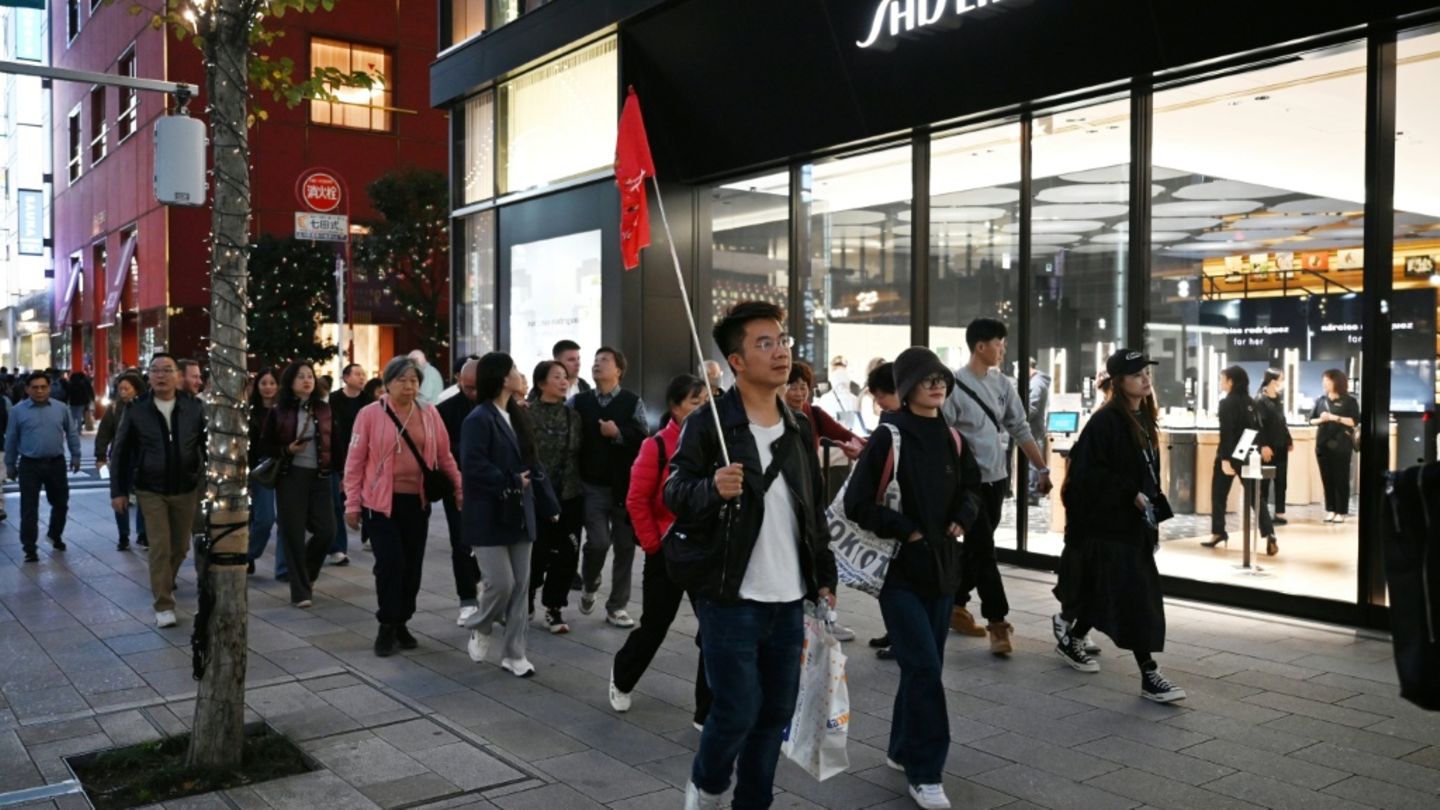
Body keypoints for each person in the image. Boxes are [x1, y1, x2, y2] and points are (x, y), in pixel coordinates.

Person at [665, 301, 837, 810]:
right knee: (737, 709)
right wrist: (710, 489)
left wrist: (823, 576)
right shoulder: (711, 424)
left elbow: (813, 509)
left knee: (773, 715)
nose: (780, 351)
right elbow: (675, 490)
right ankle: (709, 786)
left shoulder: (799, 425)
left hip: (789, 599)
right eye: (765, 343)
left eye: (781, 340)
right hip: (731, 594)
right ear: (736, 361)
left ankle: (754, 802)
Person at [845, 348, 985, 810]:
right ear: (906, 390)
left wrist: (963, 515)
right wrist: (908, 529)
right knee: (924, 667)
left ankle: (901, 749)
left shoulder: (951, 437)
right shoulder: (890, 436)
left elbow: (972, 486)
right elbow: (856, 504)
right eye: (925, 380)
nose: (936, 386)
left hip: (943, 570)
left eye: (940, 378)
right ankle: (926, 773)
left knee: (922, 667)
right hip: (899, 573)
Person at [1053, 349, 1186, 704]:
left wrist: (1151, 515)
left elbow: (1145, 473)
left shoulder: (1141, 416)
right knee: (1136, 598)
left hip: (1131, 525)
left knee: (1104, 593)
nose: (1145, 378)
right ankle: (1148, 672)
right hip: (1108, 527)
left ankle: (1072, 639)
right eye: (1136, 374)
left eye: (1146, 372)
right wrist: (1130, 494)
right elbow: (1088, 477)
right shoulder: (1106, 421)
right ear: (1117, 382)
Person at [941, 318, 1052, 654]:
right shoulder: (954, 386)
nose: (1003, 349)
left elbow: (1020, 428)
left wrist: (1042, 467)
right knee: (984, 552)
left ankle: (955, 605)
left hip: (996, 480)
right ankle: (997, 623)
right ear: (980, 346)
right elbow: (943, 438)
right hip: (968, 487)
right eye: (999, 343)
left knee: (977, 549)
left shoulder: (1003, 384)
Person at [611, 374, 713, 725]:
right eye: (694, 403)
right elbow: (636, 499)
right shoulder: (655, 446)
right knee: (655, 625)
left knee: (712, 631)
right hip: (667, 551)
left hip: (706, 551)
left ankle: (707, 709)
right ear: (674, 407)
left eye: (706, 402)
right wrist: (654, 545)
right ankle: (622, 676)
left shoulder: (717, 444)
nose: (702, 409)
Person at [345, 355, 462, 656]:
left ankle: (401, 621)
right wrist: (352, 503)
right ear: (387, 382)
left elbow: (445, 455)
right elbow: (355, 461)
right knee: (390, 563)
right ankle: (386, 624)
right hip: (379, 503)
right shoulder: (370, 414)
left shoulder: (429, 413)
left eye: (414, 381)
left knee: (412, 567)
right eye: (402, 380)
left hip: (417, 501)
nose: (409, 386)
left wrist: (459, 488)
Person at [462, 352, 559, 677]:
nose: (521, 375)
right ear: (503, 378)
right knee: (500, 583)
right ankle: (482, 624)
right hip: (489, 513)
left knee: (521, 586)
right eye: (516, 370)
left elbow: (534, 461)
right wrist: (511, 480)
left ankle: (514, 654)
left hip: (521, 511)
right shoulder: (478, 418)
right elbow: (473, 467)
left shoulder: (517, 415)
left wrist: (550, 505)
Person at [110, 353, 206, 628]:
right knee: (160, 547)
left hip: (186, 487)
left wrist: (207, 479)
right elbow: (121, 451)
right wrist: (117, 491)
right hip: (150, 488)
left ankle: (165, 580)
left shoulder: (194, 407)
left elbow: (204, 444)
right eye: (155, 370)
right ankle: (163, 604)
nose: (161, 375)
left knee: (180, 547)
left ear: (177, 375)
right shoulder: (137, 408)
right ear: (148, 376)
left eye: (167, 370)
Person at [573, 347, 648, 628]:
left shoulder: (632, 402)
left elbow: (643, 438)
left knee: (626, 547)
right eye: (594, 361)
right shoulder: (579, 402)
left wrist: (618, 433)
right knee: (599, 542)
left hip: (624, 486)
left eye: (604, 361)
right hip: (591, 485)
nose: (596, 365)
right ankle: (590, 583)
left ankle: (617, 606)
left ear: (618, 370)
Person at [261, 361, 336, 608]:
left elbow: (335, 441)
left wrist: (343, 473)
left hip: (321, 476)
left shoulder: (324, 409)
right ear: (290, 382)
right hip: (290, 476)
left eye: (310, 376)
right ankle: (300, 591)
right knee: (292, 534)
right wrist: (286, 449)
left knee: (327, 531)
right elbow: (265, 445)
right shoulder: (278, 410)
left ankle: (307, 572)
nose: (307, 380)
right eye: (301, 376)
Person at [528, 359, 584, 633]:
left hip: (570, 494)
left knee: (567, 554)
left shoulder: (573, 416)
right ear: (541, 383)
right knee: (536, 554)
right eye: (557, 377)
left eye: (565, 377)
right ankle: (525, 598)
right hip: (538, 496)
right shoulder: (526, 415)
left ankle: (554, 607)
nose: (564, 381)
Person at [5, 372, 82, 562]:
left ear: (49, 388)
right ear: (27, 389)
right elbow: (12, 439)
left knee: (61, 503)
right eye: (35, 387)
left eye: (43, 387)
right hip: (29, 465)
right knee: (29, 508)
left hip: (56, 463)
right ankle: (29, 547)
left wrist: (76, 455)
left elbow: (71, 433)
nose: (39, 391)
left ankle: (55, 534)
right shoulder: (18, 411)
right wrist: (10, 464)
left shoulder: (61, 408)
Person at [859, 362, 904, 658]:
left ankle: (900, 638)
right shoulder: (894, 419)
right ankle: (896, 634)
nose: (878, 403)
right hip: (894, 518)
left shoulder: (899, 423)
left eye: (881, 396)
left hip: (899, 520)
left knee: (896, 582)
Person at [1204, 366, 1273, 550]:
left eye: (1222, 379)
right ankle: (1269, 533)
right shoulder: (1251, 401)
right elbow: (1256, 429)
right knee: (1255, 497)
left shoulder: (1227, 403)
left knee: (1219, 494)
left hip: (1230, 453)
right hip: (1249, 452)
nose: (1220, 382)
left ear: (1231, 382)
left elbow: (1226, 432)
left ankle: (1218, 532)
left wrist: (1226, 459)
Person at [438, 357, 483, 626]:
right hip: (457, 483)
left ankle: (485, 589)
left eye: (478, 387)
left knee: (490, 542)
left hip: (490, 484)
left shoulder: (499, 406)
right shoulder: (445, 410)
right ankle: (467, 598)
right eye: (468, 387)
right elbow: (442, 453)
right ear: (458, 381)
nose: (473, 393)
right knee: (461, 542)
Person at [327, 363, 373, 567]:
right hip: (339, 456)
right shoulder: (333, 400)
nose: (362, 378)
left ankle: (369, 534)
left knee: (367, 498)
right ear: (345, 377)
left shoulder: (368, 401)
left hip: (365, 456)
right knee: (338, 503)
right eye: (357, 374)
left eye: (364, 374)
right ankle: (338, 548)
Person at [95, 371, 147, 551]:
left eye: (127, 388)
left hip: (142, 459)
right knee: (119, 496)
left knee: (144, 497)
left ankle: (143, 533)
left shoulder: (147, 407)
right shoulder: (115, 408)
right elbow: (103, 434)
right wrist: (100, 456)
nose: (123, 392)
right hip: (120, 459)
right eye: (120, 389)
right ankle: (123, 535)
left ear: (137, 389)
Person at [246, 368, 285, 577]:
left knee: (286, 521)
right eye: (264, 383)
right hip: (262, 468)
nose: (268, 387)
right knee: (265, 518)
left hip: (286, 466)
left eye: (272, 383)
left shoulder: (285, 410)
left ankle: (283, 568)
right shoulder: (250, 412)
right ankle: (249, 554)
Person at [1309, 369, 1360, 524]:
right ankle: (1330, 509)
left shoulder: (1349, 401)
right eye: (1324, 380)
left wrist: (1334, 417)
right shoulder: (1321, 400)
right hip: (1322, 445)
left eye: (1327, 380)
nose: (1324, 383)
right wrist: (1322, 419)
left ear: (1337, 382)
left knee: (1341, 478)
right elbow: (1311, 420)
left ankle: (1341, 511)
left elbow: (1354, 421)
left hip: (1341, 445)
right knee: (1327, 478)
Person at [784, 361, 864, 458]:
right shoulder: (773, 414)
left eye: (803, 387)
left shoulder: (815, 414)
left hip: (810, 473)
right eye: (793, 388)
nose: (799, 393)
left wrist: (872, 447)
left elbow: (844, 434)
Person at [1255, 369, 1293, 527]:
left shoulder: (1279, 398)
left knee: (1281, 480)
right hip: (1267, 446)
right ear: (1272, 381)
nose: (1282, 383)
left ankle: (1279, 512)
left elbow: (1281, 421)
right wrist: (1263, 445)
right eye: (1281, 379)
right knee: (1264, 481)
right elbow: (1258, 425)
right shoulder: (1259, 400)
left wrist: (1289, 439)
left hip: (1281, 445)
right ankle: (1262, 515)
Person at [1026, 358, 1052, 505]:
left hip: (1033, 429)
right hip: (1034, 428)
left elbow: (1032, 408)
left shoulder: (1036, 383)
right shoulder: (1037, 382)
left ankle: (1032, 493)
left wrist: (1018, 418)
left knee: (1033, 462)